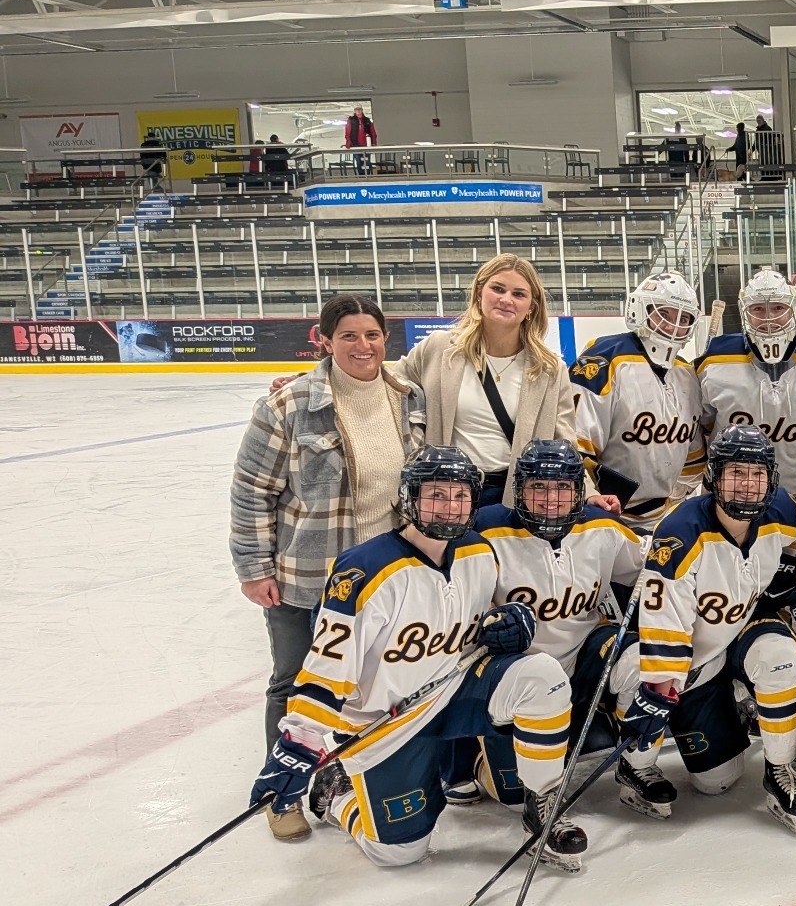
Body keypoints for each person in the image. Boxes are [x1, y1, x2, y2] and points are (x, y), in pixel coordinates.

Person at [247, 445, 581, 869]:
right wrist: (300, 741)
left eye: (460, 497)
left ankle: (545, 804)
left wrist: (513, 620)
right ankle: (339, 793)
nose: (450, 507)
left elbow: (487, 617)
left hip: (455, 691)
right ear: (409, 499)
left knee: (542, 674)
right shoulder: (364, 570)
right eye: (436, 495)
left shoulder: (480, 553)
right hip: (388, 721)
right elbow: (328, 666)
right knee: (399, 853)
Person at [231, 294, 426, 838]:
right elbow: (252, 492)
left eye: (372, 335)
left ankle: (350, 772)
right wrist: (253, 567)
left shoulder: (408, 399)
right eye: (348, 336)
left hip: (384, 576)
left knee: (370, 680)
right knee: (295, 681)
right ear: (325, 340)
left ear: (386, 339)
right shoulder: (290, 404)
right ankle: (282, 792)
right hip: (307, 573)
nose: (362, 346)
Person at [630, 425, 796, 831]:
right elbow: (666, 622)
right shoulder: (680, 533)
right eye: (736, 474)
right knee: (717, 781)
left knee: (781, 659)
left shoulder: (782, 510)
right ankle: (634, 766)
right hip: (699, 654)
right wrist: (663, 686)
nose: (748, 486)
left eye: (757, 474)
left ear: (771, 478)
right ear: (714, 477)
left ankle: (780, 767)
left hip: (747, 624)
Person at [468, 440, 662, 818]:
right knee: (511, 796)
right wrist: (487, 620)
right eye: (538, 486)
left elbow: (653, 562)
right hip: (518, 677)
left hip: (586, 657)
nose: (550, 499)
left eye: (562, 487)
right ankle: (470, 758)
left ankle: (636, 765)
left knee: (646, 661)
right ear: (518, 489)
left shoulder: (602, 527)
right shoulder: (484, 530)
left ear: (579, 491)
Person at [398, 254, 577, 508]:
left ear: (531, 307)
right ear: (479, 293)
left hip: (515, 498)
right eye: (498, 288)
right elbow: (390, 390)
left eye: (518, 294)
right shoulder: (437, 349)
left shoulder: (549, 369)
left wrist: (590, 492)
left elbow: (565, 442)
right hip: (449, 496)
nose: (506, 299)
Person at [696, 268, 796, 518]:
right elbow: (704, 426)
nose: (769, 318)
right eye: (757, 309)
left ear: (794, 309)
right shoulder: (714, 362)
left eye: (778, 308)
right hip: (736, 503)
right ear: (745, 312)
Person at [571, 270, 706, 525]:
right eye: (663, 313)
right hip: (604, 515)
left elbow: (693, 457)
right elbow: (575, 447)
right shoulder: (603, 360)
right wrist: (593, 497)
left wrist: (677, 498)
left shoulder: (687, 374)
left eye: (683, 317)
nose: (672, 325)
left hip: (664, 517)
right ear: (640, 309)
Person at [345, 105, 378, 174]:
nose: (358, 111)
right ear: (354, 111)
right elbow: (348, 131)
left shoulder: (367, 120)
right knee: (358, 161)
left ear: (362, 110)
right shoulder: (351, 120)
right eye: (356, 109)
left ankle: (368, 175)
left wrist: (374, 143)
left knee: (367, 161)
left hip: (367, 144)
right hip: (355, 144)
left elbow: (373, 132)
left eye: (359, 109)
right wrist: (348, 142)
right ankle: (361, 176)